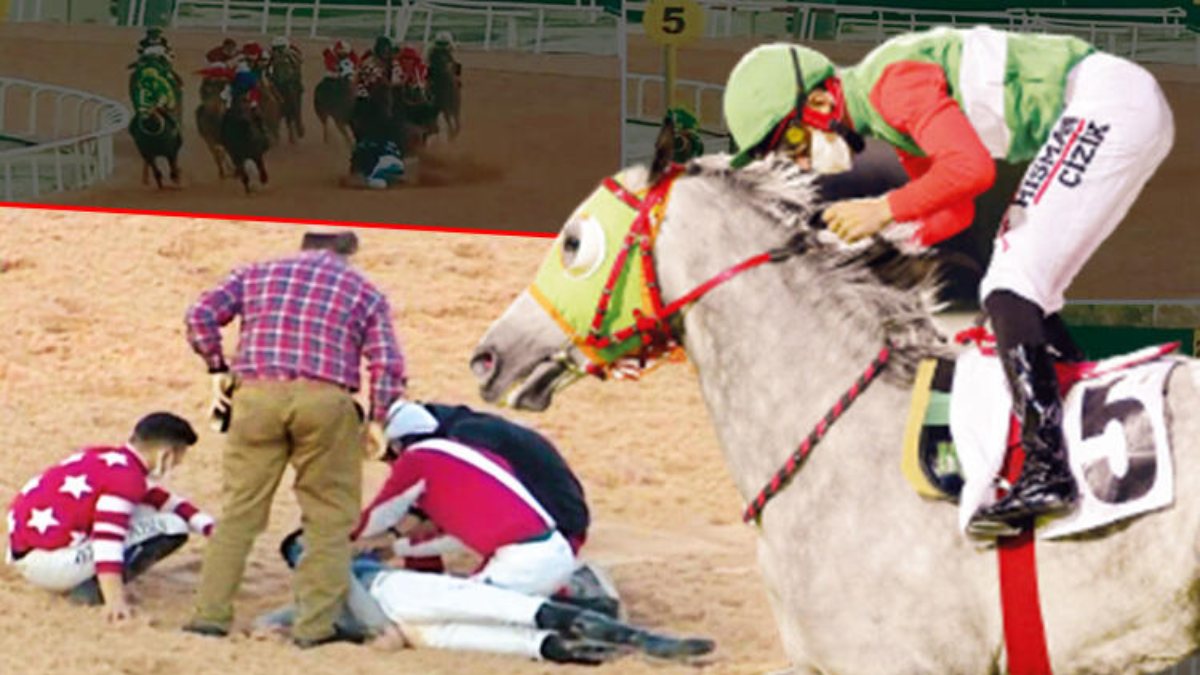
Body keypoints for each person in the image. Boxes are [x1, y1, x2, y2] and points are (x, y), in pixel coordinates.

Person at [720, 27, 1175, 533]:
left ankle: (1048, 468)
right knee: (1021, 288)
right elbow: (955, 209)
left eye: (793, 140)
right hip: (1112, 105)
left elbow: (971, 169)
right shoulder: (886, 110)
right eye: (784, 153)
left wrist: (881, 208)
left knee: (1011, 286)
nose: (800, 160)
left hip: (1105, 104)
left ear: (822, 102)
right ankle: (1073, 433)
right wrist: (879, 235)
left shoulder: (891, 86)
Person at [182, 228, 407, 648]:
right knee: (328, 519)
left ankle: (209, 615)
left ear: (305, 243)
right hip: (326, 401)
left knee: (239, 511)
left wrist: (217, 367)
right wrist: (378, 417)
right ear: (350, 251)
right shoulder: (365, 291)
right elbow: (387, 363)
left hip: (256, 395)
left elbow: (200, 315)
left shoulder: (256, 273)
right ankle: (313, 627)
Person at [260, 532, 714, 664]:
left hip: (400, 612)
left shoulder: (323, 586)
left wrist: (376, 630)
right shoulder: (325, 579)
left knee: (514, 627)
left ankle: (637, 645)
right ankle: (636, 646)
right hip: (402, 613)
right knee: (516, 628)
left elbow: (288, 613)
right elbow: (280, 616)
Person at [6, 412, 212, 622]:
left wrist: (209, 527)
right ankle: (97, 589)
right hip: (51, 565)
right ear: (166, 454)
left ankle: (94, 581)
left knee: (145, 511)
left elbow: (157, 497)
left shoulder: (108, 457)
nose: (178, 463)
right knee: (172, 526)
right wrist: (115, 601)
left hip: (30, 553)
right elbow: (108, 540)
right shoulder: (127, 479)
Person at [383, 401, 589, 553]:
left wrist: (394, 540)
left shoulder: (463, 440)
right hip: (562, 518)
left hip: (556, 534)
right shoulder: (465, 426)